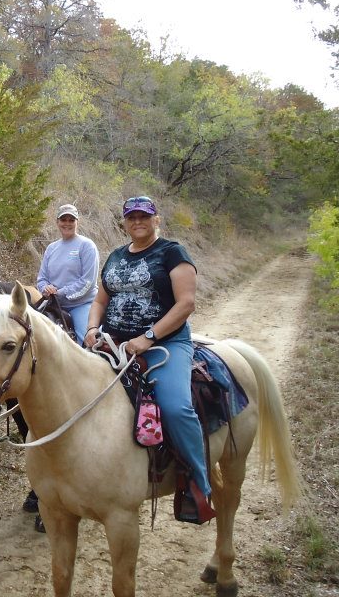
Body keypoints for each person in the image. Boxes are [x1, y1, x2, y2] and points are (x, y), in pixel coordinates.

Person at [83, 195, 214, 523]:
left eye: (144, 216)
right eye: (131, 217)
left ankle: (200, 482)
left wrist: (148, 337)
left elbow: (185, 304)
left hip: (165, 344)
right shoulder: (114, 257)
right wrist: (90, 328)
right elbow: (101, 299)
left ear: (156, 219)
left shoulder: (172, 252)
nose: (137, 221)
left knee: (174, 406)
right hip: (113, 342)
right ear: (124, 222)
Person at [36, 203, 99, 344]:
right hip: (52, 303)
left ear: (77, 222)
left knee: (87, 340)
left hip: (81, 304)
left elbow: (88, 282)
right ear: (57, 222)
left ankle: (93, 361)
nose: (67, 223)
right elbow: (42, 278)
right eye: (63, 220)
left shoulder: (87, 246)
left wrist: (59, 293)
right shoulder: (51, 248)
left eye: (71, 220)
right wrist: (45, 289)